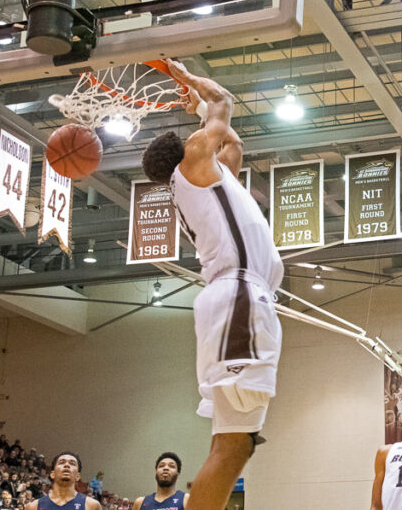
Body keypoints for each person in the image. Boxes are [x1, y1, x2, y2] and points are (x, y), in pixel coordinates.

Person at [141, 61, 283, 510]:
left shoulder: (215, 180)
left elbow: (233, 142)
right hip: (238, 298)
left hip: (242, 298)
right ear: (186, 152)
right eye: (196, 140)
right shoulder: (191, 170)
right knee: (236, 443)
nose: (204, 139)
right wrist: (188, 81)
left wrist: (204, 112)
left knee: (234, 443)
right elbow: (225, 103)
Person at [24, 453, 100, 510]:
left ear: (78, 476)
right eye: (61, 462)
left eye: (72, 463)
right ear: (52, 474)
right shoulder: (33, 507)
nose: (67, 465)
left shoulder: (92, 506)